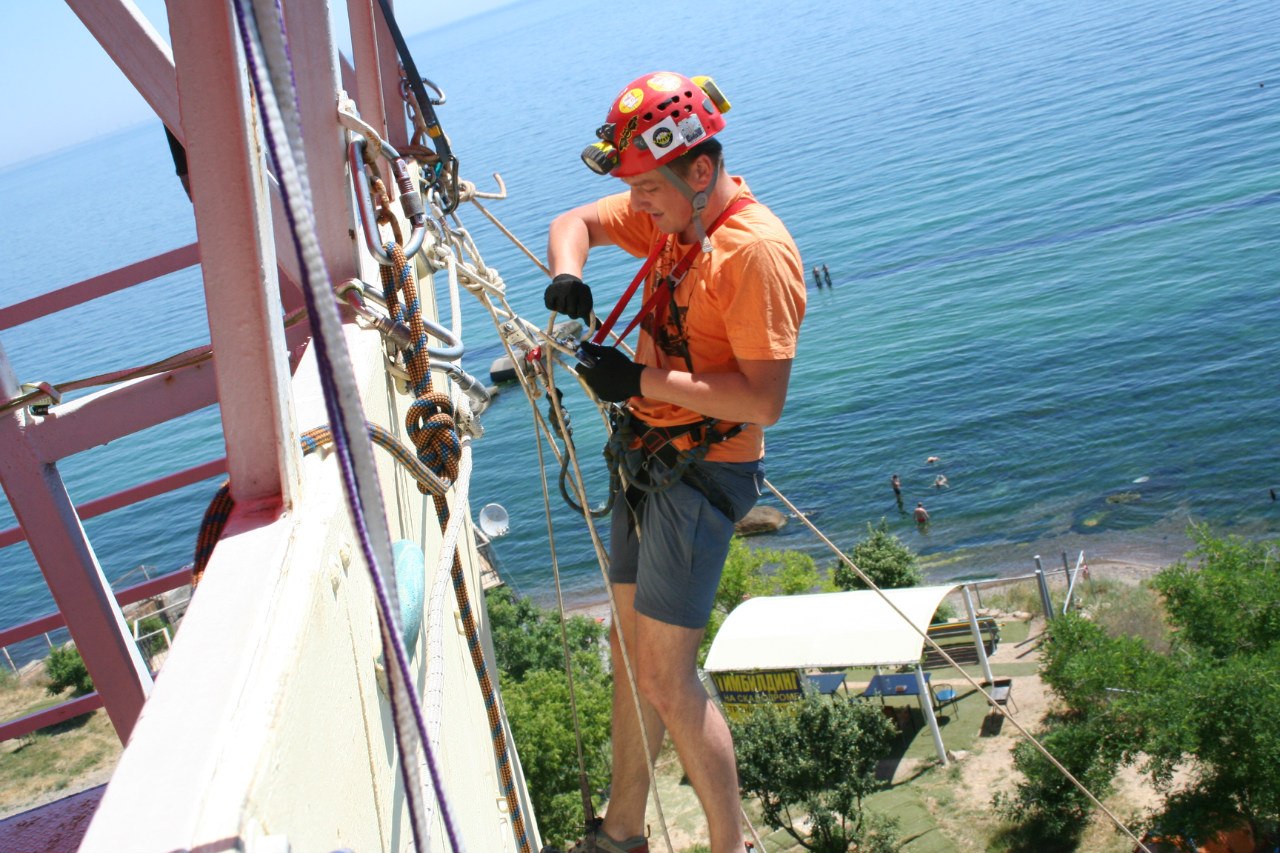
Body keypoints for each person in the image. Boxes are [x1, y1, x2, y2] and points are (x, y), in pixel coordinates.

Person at [544, 71, 806, 853]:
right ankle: (622, 832)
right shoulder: (674, 216)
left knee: (665, 673)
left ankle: (734, 844)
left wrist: (642, 380)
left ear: (699, 172)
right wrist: (569, 277)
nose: (640, 204)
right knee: (635, 657)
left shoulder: (752, 252)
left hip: (702, 471)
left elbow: (763, 402)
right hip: (648, 456)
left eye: (649, 188)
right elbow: (576, 221)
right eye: (636, 189)